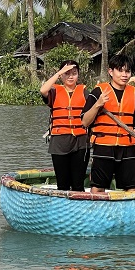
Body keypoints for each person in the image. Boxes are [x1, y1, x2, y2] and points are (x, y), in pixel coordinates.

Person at [81, 54, 135, 193]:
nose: (124, 75)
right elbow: (85, 122)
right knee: (97, 188)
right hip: (103, 146)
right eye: (120, 70)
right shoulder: (99, 92)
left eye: (127, 71)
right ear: (111, 72)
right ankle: (98, 213)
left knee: (132, 188)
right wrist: (98, 105)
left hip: (128, 147)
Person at [40, 60, 90, 191]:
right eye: (67, 73)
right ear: (61, 75)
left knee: (78, 183)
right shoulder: (54, 91)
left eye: (74, 73)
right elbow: (43, 90)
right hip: (59, 141)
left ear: (78, 75)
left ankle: (78, 208)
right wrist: (58, 73)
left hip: (80, 141)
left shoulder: (84, 91)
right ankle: (62, 209)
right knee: (62, 184)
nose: (71, 76)